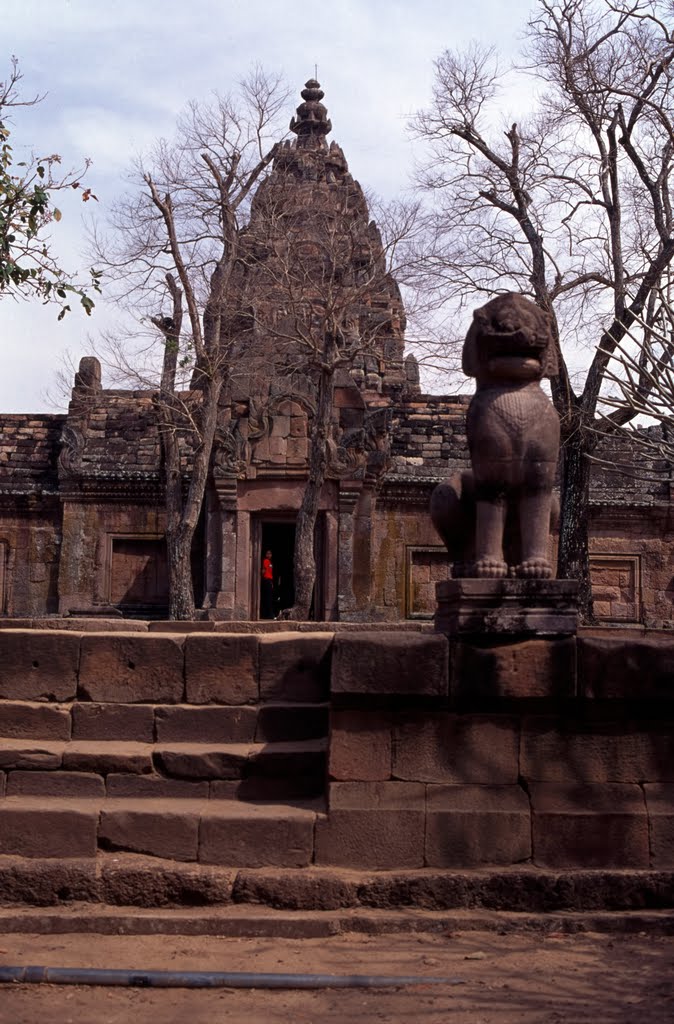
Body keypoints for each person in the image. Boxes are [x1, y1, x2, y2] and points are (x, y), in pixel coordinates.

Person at [260, 549, 274, 619]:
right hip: (266, 580)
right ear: (265, 555)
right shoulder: (266, 561)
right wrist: (263, 579)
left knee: (269, 597)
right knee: (267, 598)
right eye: (267, 553)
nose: (269, 555)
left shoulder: (270, 562)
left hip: (269, 580)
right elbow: (263, 570)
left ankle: (268, 614)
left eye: (270, 553)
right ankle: (268, 615)